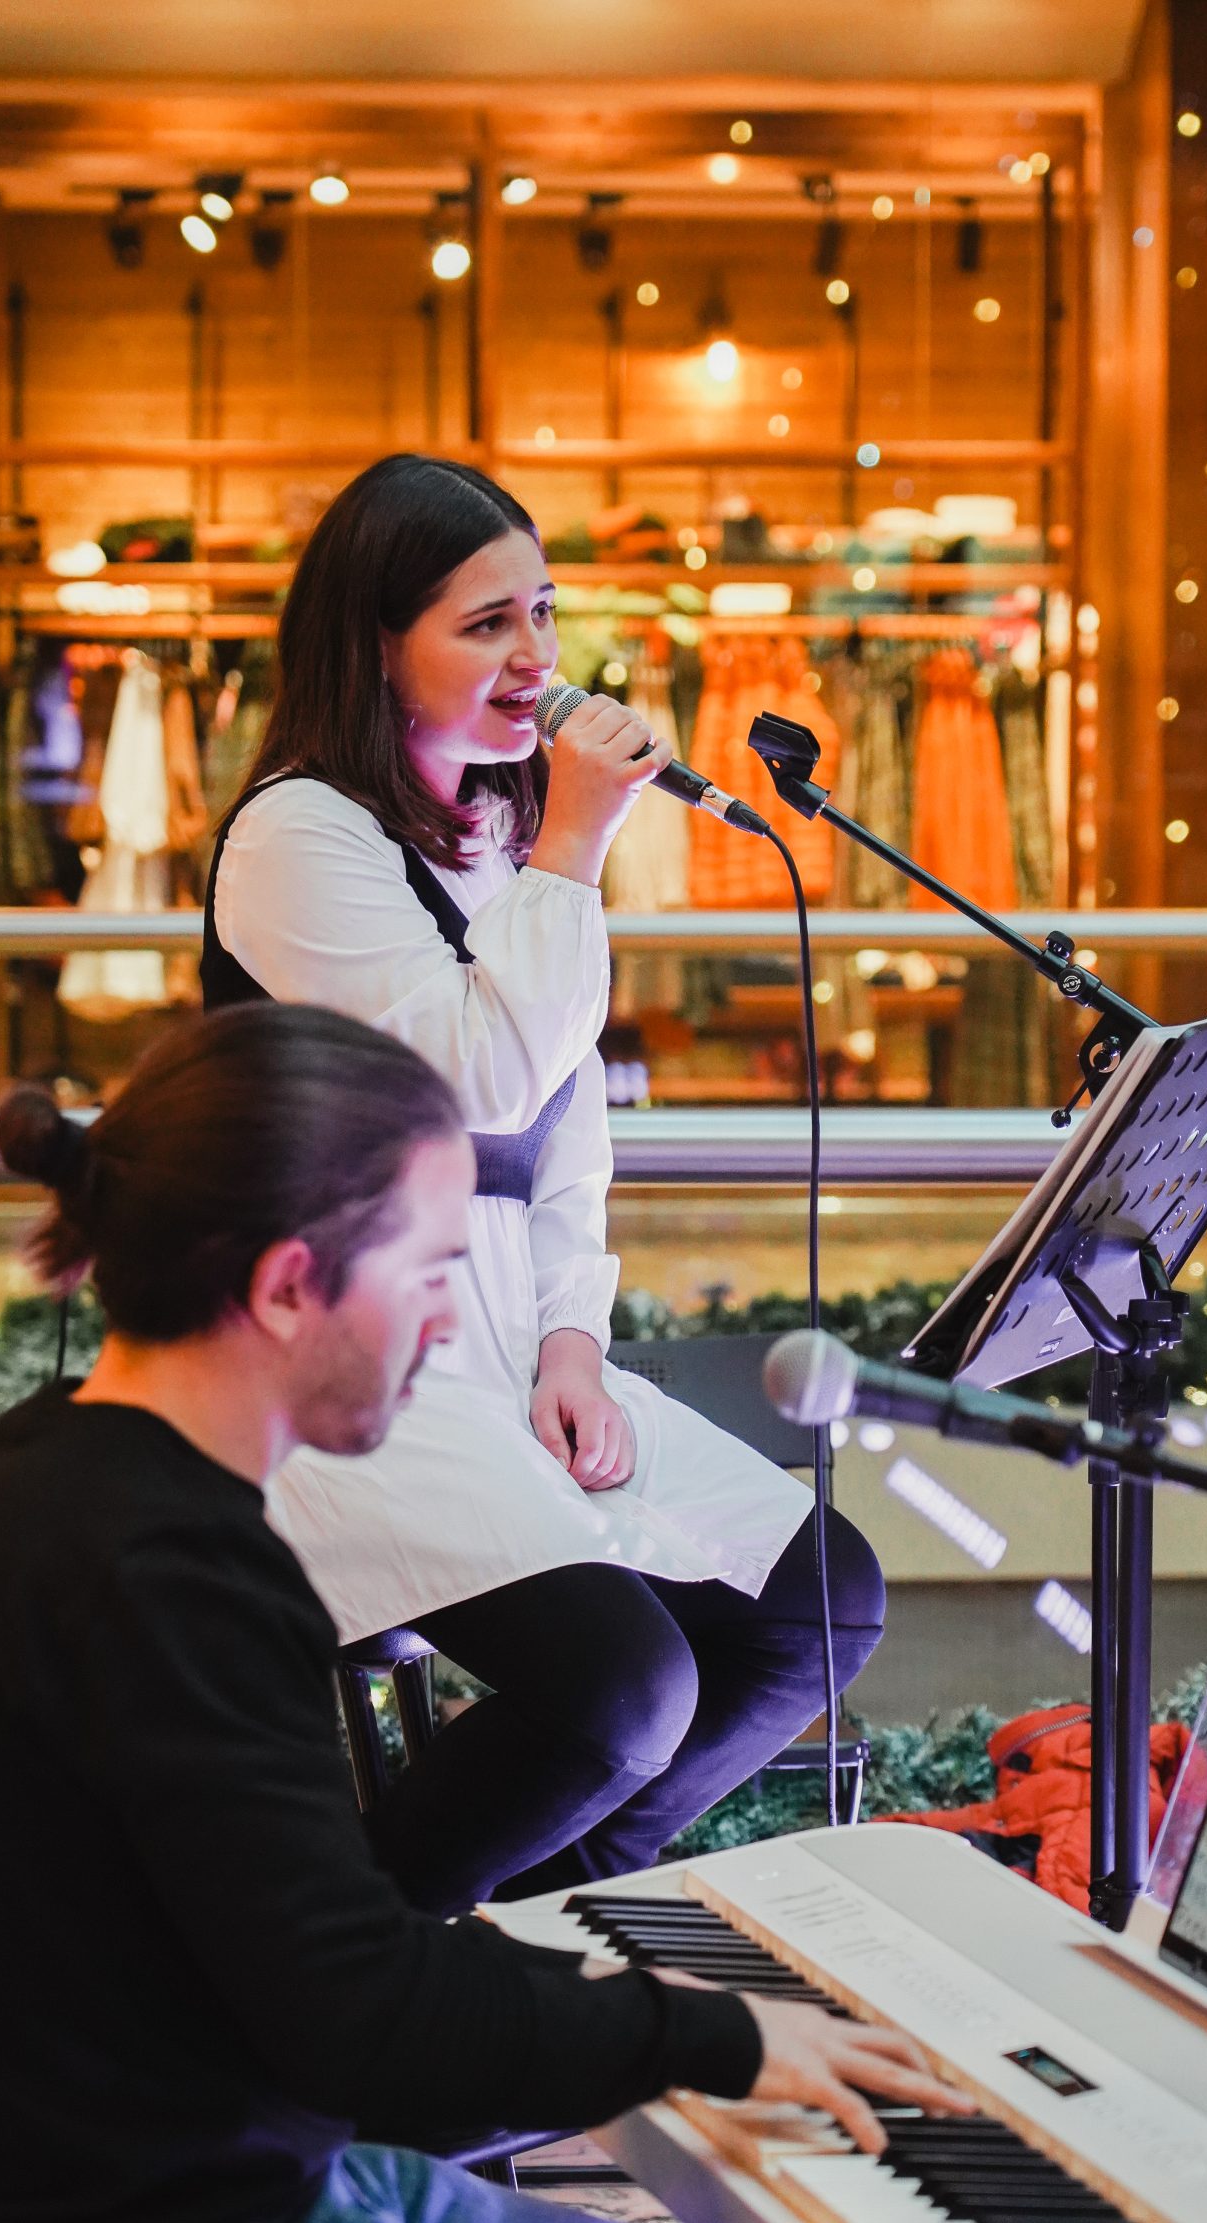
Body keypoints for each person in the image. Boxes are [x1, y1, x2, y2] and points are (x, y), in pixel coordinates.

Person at [0, 1004, 962, 2223]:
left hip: (186, 2212)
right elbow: (366, 2019)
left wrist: (663, 2026)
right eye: (433, 1271)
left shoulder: (32, 1474)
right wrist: (718, 2036)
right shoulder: (171, 1572)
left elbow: (309, 1972)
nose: (455, 1327)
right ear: (287, 1287)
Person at [203, 452, 885, 1915]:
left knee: (818, 1603)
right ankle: (339, 1970)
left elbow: (567, 1132)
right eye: (487, 623)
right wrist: (574, 844)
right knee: (621, 1693)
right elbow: (479, 1083)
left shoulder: (505, 835)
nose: (537, 657)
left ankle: (530, 1933)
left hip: (511, 1348)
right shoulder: (296, 835)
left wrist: (574, 1338)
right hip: (344, 1374)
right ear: (377, 647)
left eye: (545, 613)